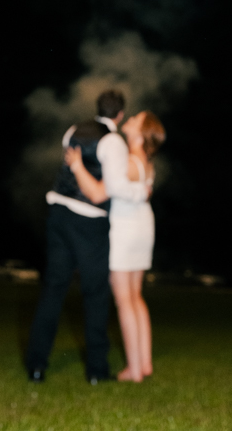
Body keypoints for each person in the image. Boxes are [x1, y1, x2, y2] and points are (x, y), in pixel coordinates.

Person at [25, 90, 149, 384]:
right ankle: (96, 370)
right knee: (95, 294)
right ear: (119, 115)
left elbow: (69, 171)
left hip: (57, 213)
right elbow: (108, 189)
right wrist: (142, 191)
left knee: (53, 290)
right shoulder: (113, 141)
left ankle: (36, 366)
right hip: (88, 221)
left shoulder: (72, 130)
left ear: (98, 108)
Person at [66, 110, 166, 383]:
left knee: (124, 300)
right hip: (143, 226)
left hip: (125, 229)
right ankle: (144, 364)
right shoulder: (146, 163)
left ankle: (133, 370)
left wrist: (77, 166)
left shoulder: (130, 161)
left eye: (136, 119)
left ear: (141, 132)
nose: (130, 119)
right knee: (136, 297)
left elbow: (100, 191)